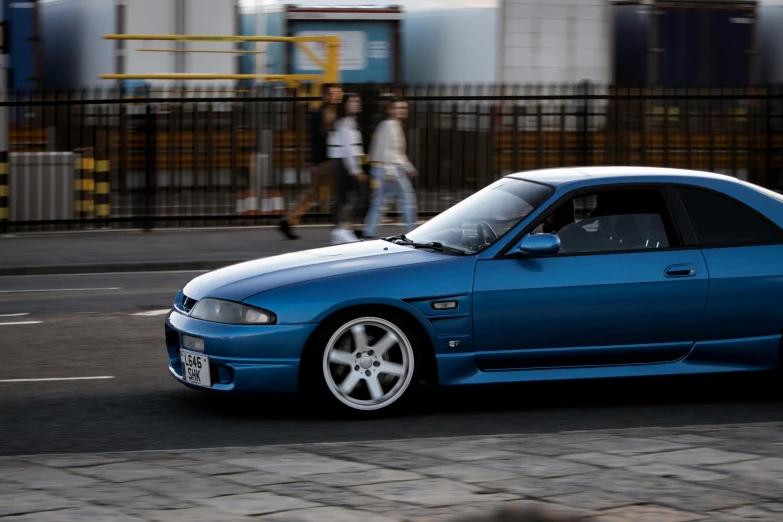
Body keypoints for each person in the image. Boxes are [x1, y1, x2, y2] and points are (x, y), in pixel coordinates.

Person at [278, 83, 342, 240]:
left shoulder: (339, 113)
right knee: (322, 194)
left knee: (316, 194)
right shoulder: (317, 113)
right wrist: (314, 162)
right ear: (325, 96)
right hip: (324, 160)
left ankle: (288, 220)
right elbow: (315, 139)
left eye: (339, 93)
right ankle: (346, 227)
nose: (338, 96)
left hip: (335, 158)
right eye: (334, 94)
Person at [362, 97, 418, 240]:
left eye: (403, 108)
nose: (401, 111)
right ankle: (412, 232)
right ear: (390, 110)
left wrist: (408, 167)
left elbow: (397, 152)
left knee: (380, 202)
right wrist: (390, 171)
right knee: (407, 198)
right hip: (390, 169)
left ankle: (369, 231)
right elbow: (386, 151)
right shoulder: (390, 125)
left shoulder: (390, 124)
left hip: (381, 169)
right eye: (397, 108)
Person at [327, 92, 367, 245]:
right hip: (344, 163)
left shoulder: (349, 121)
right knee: (356, 196)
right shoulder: (344, 123)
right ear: (345, 105)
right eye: (353, 102)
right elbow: (347, 149)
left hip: (344, 163)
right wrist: (355, 169)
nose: (357, 104)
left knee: (347, 197)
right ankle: (342, 230)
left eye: (358, 101)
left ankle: (343, 230)